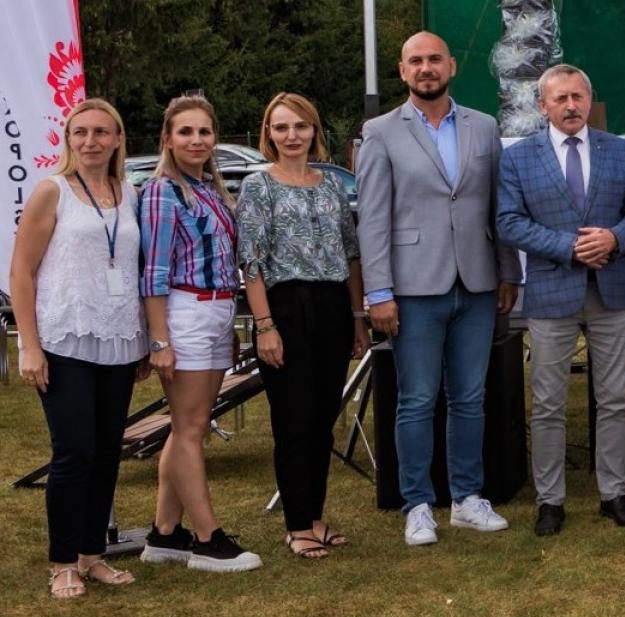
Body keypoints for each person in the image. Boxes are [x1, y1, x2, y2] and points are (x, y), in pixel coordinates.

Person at [357, 31, 522, 546]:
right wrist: (378, 291)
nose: (426, 68)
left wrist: (507, 271)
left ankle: (469, 498)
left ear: (451, 65)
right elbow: (373, 220)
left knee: (470, 397)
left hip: (475, 283)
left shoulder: (484, 126)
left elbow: (500, 207)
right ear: (403, 71)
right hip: (412, 287)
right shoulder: (381, 131)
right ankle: (418, 504)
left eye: (434, 59)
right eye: (415, 61)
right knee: (417, 399)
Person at [496, 64, 625, 537]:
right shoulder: (519, 158)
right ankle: (551, 500)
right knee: (546, 403)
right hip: (550, 291)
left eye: (578, 97)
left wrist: (611, 237)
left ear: (589, 100)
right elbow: (509, 222)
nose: (570, 106)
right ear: (542, 105)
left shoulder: (620, 151)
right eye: (560, 98)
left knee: (613, 398)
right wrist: (569, 246)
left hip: (611, 291)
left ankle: (614, 493)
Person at [13, 99, 146, 597]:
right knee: (74, 451)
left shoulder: (127, 192)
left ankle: (93, 553)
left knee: (108, 452)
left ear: (117, 139)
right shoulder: (52, 191)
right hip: (65, 336)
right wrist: (30, 346)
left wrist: (140, 340)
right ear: (68, 139)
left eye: (101, 133)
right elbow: (21, 273)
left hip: (117, 338)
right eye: (80, 132)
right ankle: (62, 560)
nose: (90, 141)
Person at [236, 93, 370, 559]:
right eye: (281, 127)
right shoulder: (259, 187)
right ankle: (296, 525)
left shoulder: (332, 186)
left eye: (300, 126)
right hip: (285, 306)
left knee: (322, 419)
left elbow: (351, 256)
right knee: (292, 420)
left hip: (334, 305)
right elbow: (250, 261)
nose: (291, 135)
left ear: (314, 130)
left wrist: (358, 319)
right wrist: (265, 325)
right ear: (268, 134)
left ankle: (315, 516)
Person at [135, 94, 261, 572]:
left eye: (204, 132)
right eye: (185, 132)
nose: (196, 140)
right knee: (188, 430)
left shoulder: (208, 188)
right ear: (167, 138)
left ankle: (164, 534)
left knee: (190, 429)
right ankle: (208, 541)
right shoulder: (163, 192)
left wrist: (227, 322)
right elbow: (153, 271)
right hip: (183, 311)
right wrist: (160, 339)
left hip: (215, 311)